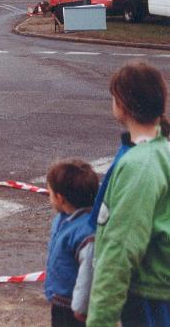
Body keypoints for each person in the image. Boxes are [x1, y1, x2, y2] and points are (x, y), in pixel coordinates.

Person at [87, 61, 170, 326]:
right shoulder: (161, 151)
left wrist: (101, 318)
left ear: (121, 103)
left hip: (148, 296)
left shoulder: (139, 165)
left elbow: (121, 248)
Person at [45, 159, 99, 327]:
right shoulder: (63, 218)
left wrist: (81, 308)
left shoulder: (86, 232)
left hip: (74, 308)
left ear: (60, 198)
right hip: (61, 301)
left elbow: (87, 273)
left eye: (50, 193)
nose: (49, 197)